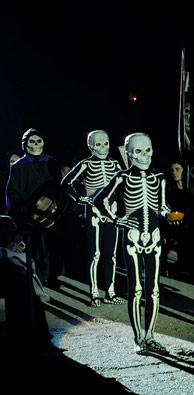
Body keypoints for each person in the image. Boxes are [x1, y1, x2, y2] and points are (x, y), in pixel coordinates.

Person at [94, 132, 172, 355]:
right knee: (135, 289)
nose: (144, 156)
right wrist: (117, 219)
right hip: (132, 236)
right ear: (128, 154)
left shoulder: (159, 178)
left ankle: (150, 336)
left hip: (154, 237)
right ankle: (138, 338)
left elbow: (162, 205)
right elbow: (100, 200)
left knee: (154, 290)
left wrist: (168, 214)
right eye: (138, 151)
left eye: (148, 150)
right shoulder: (123, 177)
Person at [61, 130, 124, 307]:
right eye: (98, 144)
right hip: (95, 211)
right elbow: (66, 182)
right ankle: (94, 293)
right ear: (90, 146)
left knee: (110, 255)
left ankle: (110, 293)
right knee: (95, 254)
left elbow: (124, 182)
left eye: (105, 144)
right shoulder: (86, 163)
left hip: (111, 212)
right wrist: (80, 198)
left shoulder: (115, 163)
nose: (103, 148)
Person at [5, 128, 62, 287]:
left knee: (52, 245)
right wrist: (20, 208)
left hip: (52, 212)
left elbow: (59, 186)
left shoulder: (51, 161)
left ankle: (52, 276)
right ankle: (38, 276)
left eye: (39, 141)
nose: (36, 144)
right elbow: (12, 190)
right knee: (36, 245)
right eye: (32, 141)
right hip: (30, 213)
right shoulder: (18, 166)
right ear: (25, 144)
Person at [0, 215, 52, 351]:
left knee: (24, 278)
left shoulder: (5, 220)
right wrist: (6, 251)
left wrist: (16, 245)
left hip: (10, 262)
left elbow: (19, 241)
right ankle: (22, 336)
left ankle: (38, 335)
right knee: (20, 279)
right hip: (4, 262)